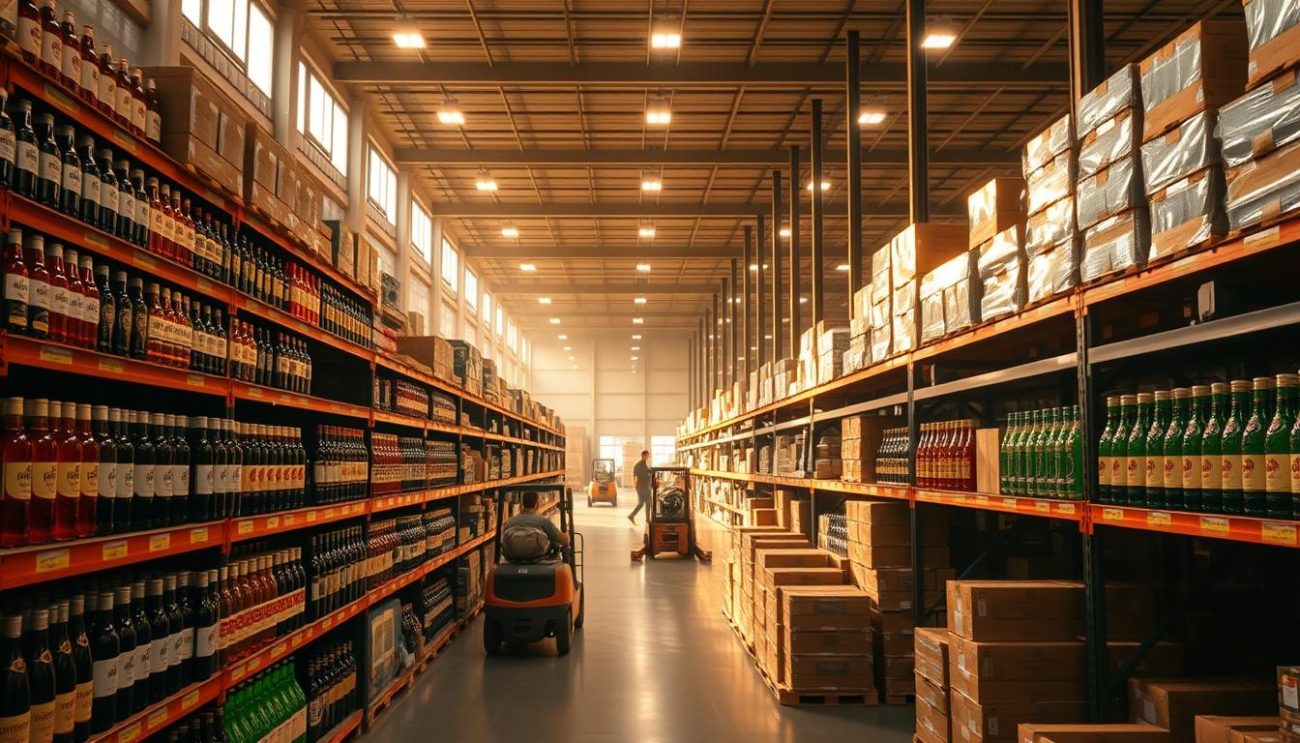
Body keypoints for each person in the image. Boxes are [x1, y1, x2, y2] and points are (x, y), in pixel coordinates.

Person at [501, 491, 569, 560]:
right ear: (537, 504)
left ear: (522, 504)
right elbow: (564, 541)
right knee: (564, 566)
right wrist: (567, 535)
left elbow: (503, 542)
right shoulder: (543, 521)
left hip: (513, 560)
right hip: (539, 561)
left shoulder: (510, 522)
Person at [628, 450, 652, 523]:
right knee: (642, 502)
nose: (648, 457)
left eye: (648, 455)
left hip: (644, 486)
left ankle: (647, 519)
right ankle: (632, 515)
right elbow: (643, 475)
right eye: (647, 455)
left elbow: (646, 473)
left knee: (647, 502)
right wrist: (649, 473)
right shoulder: (639, 465)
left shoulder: (644, 464)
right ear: (643, 455)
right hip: (641, 487)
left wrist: (650, 471)